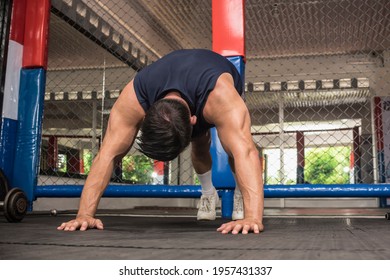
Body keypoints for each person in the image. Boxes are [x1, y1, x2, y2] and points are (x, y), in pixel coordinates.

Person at [57, 49, 264, 234]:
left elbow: (246, 152)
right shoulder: (136, 96)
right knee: (200, 148)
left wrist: (253, 218)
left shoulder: (220, 97)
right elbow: (107, 154)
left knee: (232, 146)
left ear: (194, 120)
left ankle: (240, 192)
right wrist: (84, 215)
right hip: (179, 83)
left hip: (213, 75)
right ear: (145, 115)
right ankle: (208, 193)